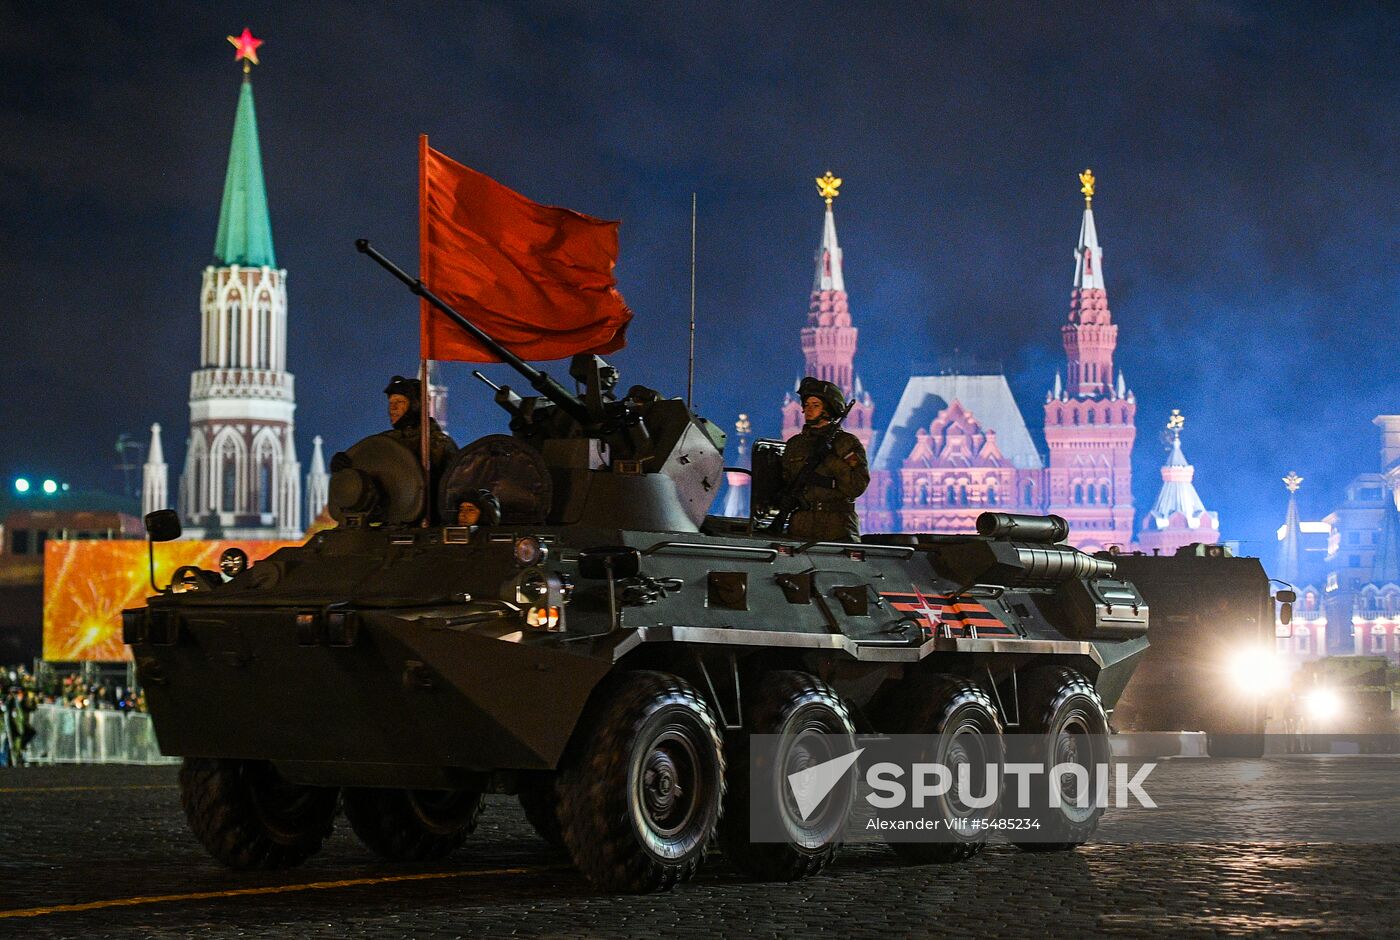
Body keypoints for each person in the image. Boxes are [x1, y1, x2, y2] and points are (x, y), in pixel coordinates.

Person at [781, 377, 869, 542]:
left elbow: (857, 486)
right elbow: (784, 480)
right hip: (801, 526)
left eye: (815, 405)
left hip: (837, 527)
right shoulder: (795, 445)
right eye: (806, 405)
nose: (808, 410)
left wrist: (829, 458)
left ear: (828, 409)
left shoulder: (846, 443)